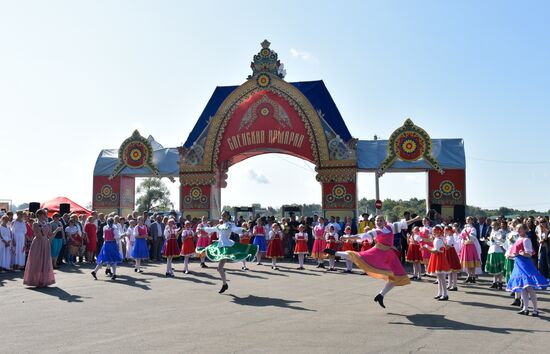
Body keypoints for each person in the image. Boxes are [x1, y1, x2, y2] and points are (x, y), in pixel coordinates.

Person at [327, 215, 411, 309]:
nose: (379, 222)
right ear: (375, 222)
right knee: (358, 256)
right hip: (378, 252)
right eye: (377, 220)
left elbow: (403, 224)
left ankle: (381, 295)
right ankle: (336, 252)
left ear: (384, 221)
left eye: (380, 220)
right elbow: (361, 236)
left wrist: (415, 219)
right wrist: (347, 237)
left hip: (390, 256)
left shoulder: (390, 227)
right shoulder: (375, 231)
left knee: (396, 277)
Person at [197, 211, 258, 293]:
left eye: (224, 215)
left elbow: (236, 229)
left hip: (226, 247)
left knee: (220, 268)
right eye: (222, 215)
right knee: (219, 268)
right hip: (220, 245)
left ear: (228, 216)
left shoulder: (230, 225)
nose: (223, 217)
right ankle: (225, 284)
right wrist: (202, 228)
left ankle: (225, 284)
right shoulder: (219, 226)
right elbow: (211, 229)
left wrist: (243, 230)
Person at [506, 224, 549, 316]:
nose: (518, 230)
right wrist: (510, 255)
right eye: (517, 229)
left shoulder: (526, 240)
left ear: (524, 229)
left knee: (529, 288)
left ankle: (535, 309)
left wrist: (519, 254)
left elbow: (529, 254)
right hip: (518, 265)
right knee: (522, 289)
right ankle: (525, 309)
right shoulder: (518, 239)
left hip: (525, 265)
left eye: (520, 229)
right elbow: (516, 254)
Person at [23, 209, 60, 287]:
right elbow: (39, 235)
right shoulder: (35, 224)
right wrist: (43, 229)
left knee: (45, 261)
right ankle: (35, 280)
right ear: (39, 215)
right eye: (44, 214)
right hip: (38, 243)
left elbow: (50, 236)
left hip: (45, 243)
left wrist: (56, 230)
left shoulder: (48, 224)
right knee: (37, 261)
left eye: (45, 214)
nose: (45, 215)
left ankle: (43, 280)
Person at [424, 225, 451, 301]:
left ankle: (445, 294)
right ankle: (440, 293)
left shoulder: (439, 240)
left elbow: (435, 251)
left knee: (441, 277)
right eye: (433, 231)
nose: (433, 232)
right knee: (439, 277)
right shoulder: (438, 238)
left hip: (439, 258)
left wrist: (426, 247)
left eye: (434, 231)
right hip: (437, 258)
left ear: (439, 232)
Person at [460, 216, 481, 283]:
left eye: (469, 219)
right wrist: (463, 239)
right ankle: (469, 276)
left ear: (472, 220)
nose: (468, 220)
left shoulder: (473, 228)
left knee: (472, 261)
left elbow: (473, 237)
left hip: (471, 246)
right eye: (467, 219)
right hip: (465, 246)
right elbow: (461, 237)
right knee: (467, 262)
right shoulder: (464, 228)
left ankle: (473, 276)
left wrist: (467, 234)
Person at [485, 221, 506, 290]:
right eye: (492, 225)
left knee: (499, 268)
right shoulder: (492, 232)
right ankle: (494, 282)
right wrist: (486, 241)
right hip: (492, 250)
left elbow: (501, 242)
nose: (493, 227)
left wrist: (496, 240)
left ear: (497, 226)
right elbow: (491, 243)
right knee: (494, 269)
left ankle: (500, 283)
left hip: (498, 251)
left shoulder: (499, 232)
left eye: (494, 225)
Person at [444, 225, 461, 291]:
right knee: (449, 271)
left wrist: (442, 242)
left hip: (451, 253)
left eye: (446, 230)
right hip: (448, 253)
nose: (445, 231)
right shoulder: (447, 237)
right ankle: (449, 284)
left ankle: (454, 286)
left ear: (450, 231)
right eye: (445, 230)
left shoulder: (451, 237)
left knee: (453, 270)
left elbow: (448, 246)